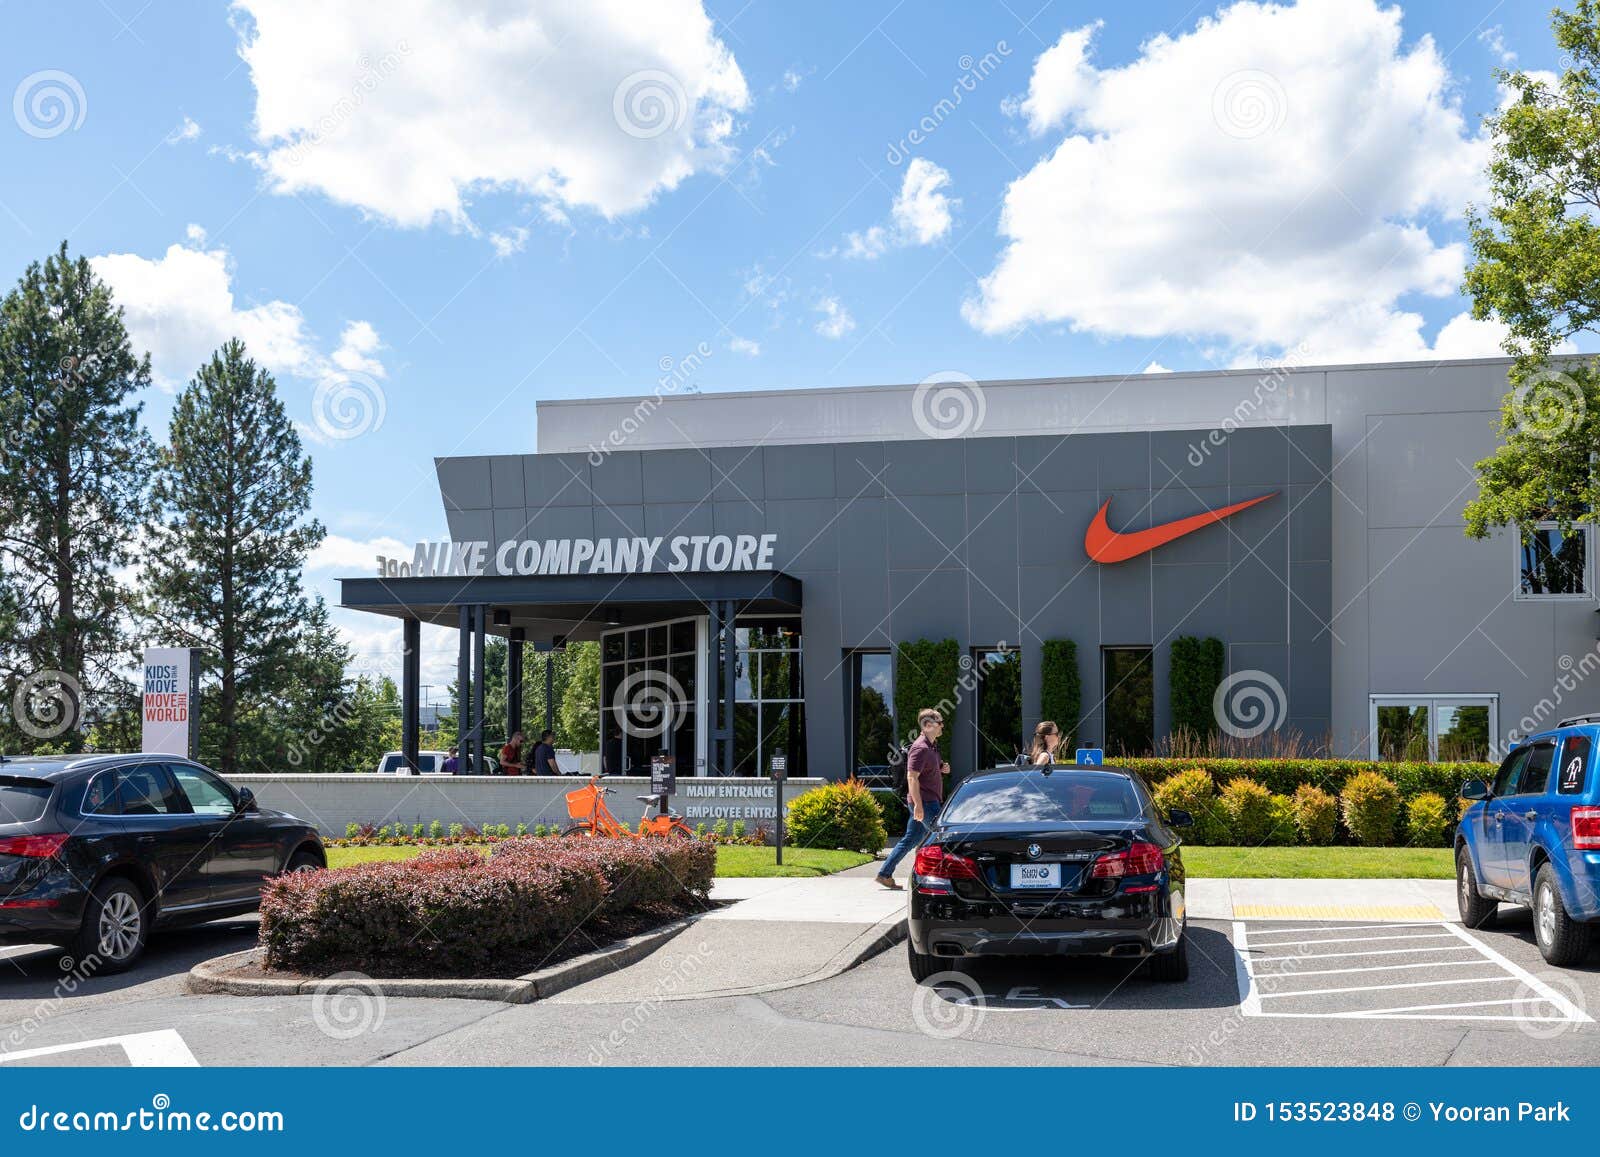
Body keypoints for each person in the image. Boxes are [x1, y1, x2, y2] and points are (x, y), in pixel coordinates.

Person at [876, 707, 949, 890]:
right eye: (939, 722)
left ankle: (884, 874)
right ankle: (931, 878)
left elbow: (927, 770)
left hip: (928, 801)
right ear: (927, 725)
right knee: (939, 838)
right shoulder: (920, 748)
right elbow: (912, 777)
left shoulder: (932, 747)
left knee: (910, 840)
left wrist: (941, 768)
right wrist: (917, 806)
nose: (942, 726)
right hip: (924, 802)